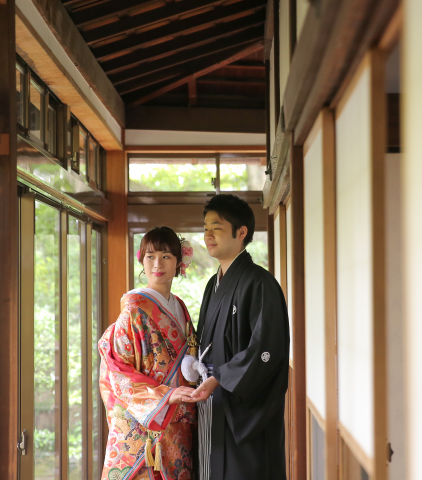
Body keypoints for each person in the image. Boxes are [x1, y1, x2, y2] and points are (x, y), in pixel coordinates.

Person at [185, 194, 290, 480]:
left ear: (241, 232)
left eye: (216, 227)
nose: (208, 235)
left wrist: (220, 379)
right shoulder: (212, 284)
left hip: (241, 410)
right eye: (206, 228)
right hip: (211, 402)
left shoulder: (260, 283)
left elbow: (268, 350)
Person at [98, 226, 198, 480]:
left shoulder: (179, 306)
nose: (157, 264)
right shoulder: (134, 309)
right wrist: (165, 395)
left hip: (179, 418)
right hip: (149, 420)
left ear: (179, 262)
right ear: (142, 259)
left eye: (166, 256)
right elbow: (118, 368)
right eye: (150, 256)